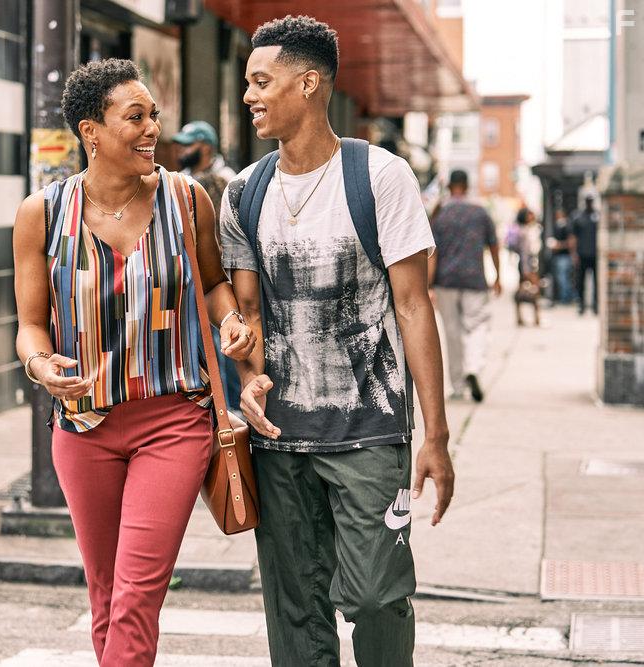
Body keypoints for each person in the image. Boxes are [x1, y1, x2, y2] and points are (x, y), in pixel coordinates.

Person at [220, 16, 453, 666]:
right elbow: (249, 312)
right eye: (247, 83)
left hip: (369, 432)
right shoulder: (243, 194)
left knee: (378, 597)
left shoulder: (380, 177)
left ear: (308, 83)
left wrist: (435, 435)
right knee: (296, 612)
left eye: (261, 81)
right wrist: (248, 377)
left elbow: (414, 306)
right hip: (279, 439)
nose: (248, 95)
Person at [13, 59, 256, 666]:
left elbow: (212, 284)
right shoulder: (42, 214)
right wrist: (40, 364)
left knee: (137, 595)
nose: (153, 129)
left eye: (154, 116)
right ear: (90, 131)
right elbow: (30, 325)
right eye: (136, 117)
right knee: (106, 593)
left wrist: (229, 319)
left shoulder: (186, 199)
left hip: (173, 420)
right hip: (83, 427)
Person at [173, 120, 242, 411]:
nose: (181, 150)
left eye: (189, 144)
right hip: (190, 278)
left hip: (222, 278)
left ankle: (233, 409)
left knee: (226, 343)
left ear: (206, 146)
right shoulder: (181, 182)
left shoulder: (228, 180)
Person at [428, 169, 501, 403]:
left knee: (452, 333)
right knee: (477, 325)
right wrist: (498, 276)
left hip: (446, 281)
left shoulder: (440, 214)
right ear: (467, 186)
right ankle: (473, 367)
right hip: (474, 279)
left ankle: (458, 386)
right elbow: (494, 245)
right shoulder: (480, 212)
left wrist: (429, 285)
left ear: (450, 186)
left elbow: (432, 253)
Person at [514, 207, 542, 327]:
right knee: (534, 291)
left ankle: (521, 318)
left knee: (523, 290)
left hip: (525, 264)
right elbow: (524, 252)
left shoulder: (524, 230)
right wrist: (527, 270)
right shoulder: (524, 232)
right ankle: (536, 318)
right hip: (527, 265)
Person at [572, 195, 599, 315]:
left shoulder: (597, 216)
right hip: (582, 254)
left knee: (596, 282)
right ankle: (581, 305)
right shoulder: (578, 217)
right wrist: (574, 254)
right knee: (580, 281)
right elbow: (573, 237)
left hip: (595, 255)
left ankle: (596, 305)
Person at [548, 208, 575, 304]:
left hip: (564, 256)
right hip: (559, 256)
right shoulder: (557, 226)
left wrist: (558, 245)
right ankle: (566, 296)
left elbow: (571, 242)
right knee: (562, 278)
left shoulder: (567, 227)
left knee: (563, 278)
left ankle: (566, 298)